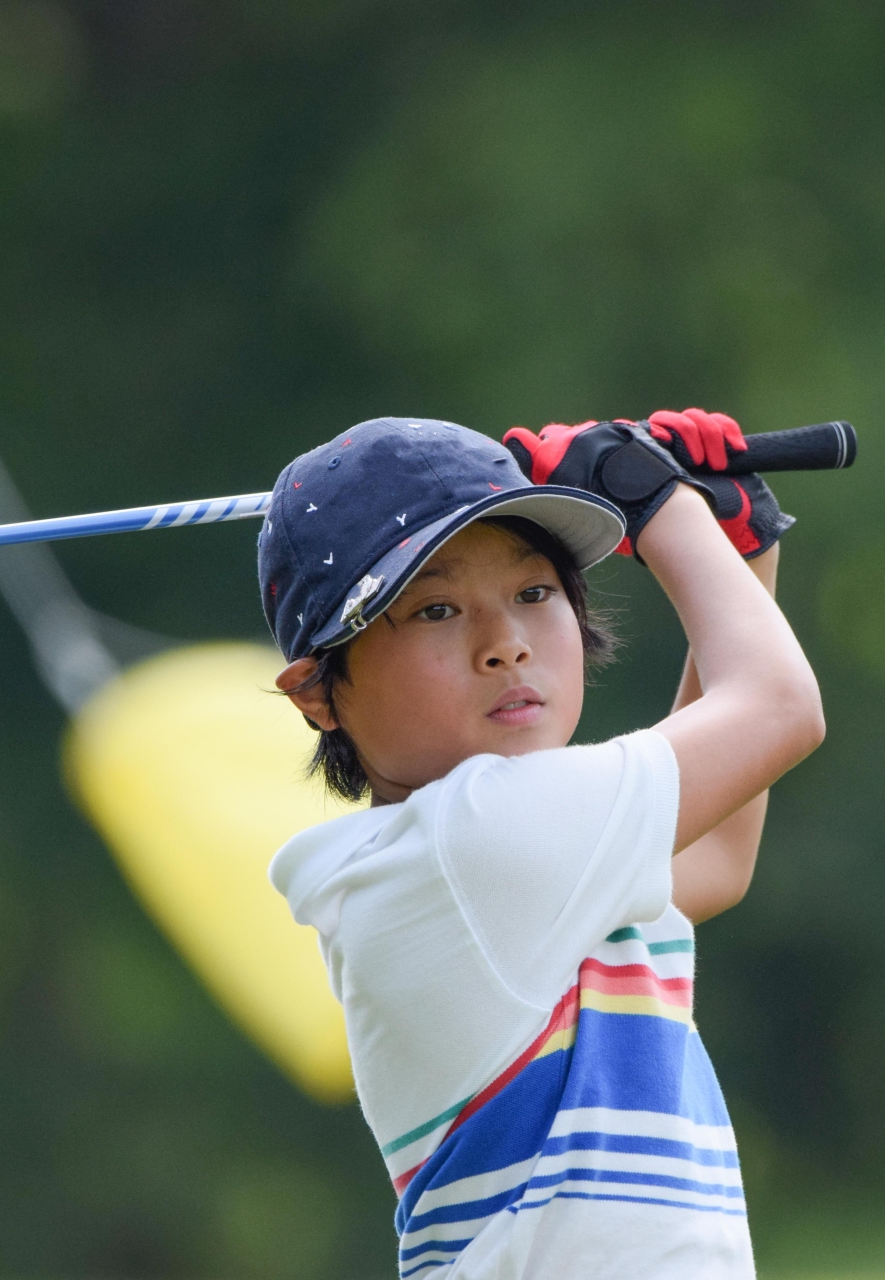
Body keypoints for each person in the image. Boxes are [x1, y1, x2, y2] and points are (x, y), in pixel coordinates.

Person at [261, 410, 824, 1279]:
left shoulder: (458, 858)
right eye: (437, 609)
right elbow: (781, 709)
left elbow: (713, 862)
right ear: (318, 693)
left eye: (533, 593)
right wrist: (657, 503)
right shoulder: (473, 838)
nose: (506, 644)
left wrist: (734, 547)